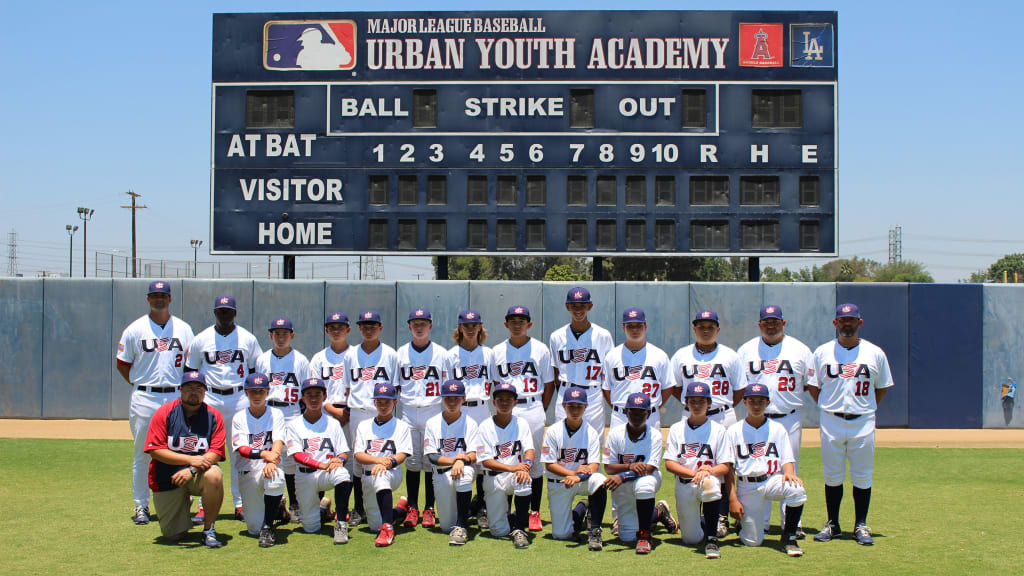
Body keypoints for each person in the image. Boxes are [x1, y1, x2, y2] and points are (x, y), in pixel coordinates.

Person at [809, 303, 894, 546]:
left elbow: (882, 387)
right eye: (842, 320)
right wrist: (829, 404)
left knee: (862, 474)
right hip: (831, 419)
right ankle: (833, 523)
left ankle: (860, 524)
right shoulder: (823, 352)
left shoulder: (874, 352)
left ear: (860, 322)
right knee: (832, 473)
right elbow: (814, 386)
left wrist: (863, 407)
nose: (847, 323)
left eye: (851, 319)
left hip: (863, 419)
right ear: (835, 323)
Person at [116, 280, 194, 525]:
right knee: (144, 453)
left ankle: (181, 502)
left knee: (180, 450)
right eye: (154, 295)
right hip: (145, 396)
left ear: (170, 299)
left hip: (175, 395)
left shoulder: (183, 329)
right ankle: (141, 505)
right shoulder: (135, 329)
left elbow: (191, 364)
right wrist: (139, 384)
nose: (159, 299)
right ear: (148, 298)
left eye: (163, 295)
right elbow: (122, 363)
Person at [737, 305, 814, 538]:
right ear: (759, 324)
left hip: (788, 416)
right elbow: (739, 385)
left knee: (789, 467)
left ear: (784, 323)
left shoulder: (800, 349)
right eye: (766, 321)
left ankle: (791, 522)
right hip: (755, 419)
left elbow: (810, 383)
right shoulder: (746, 350)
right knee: (757, 465)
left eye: (775, 321)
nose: (771, 325)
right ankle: (762, 521)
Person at [669, 309, 747, 538]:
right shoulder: (682, 355)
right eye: (701, 326)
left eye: (710, 326)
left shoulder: (730, 356)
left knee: (725, 467)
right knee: (692, 462)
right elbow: (674, 387)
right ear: (694, 329)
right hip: (691, 413)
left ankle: (721, 515)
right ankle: (695, 512)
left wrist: (720, 406)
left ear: (718, 329)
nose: (705, 330)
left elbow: (740, 388)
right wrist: (694, 406)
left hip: (723, 414)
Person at [184, 295, 262, 522]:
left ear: (234, 313)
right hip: (210, 397)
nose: (224, 315)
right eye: (221, 311)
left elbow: (256, 371)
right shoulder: (201, 339)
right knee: (205, 450)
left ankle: (240, 504)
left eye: (228, 311)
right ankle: (203, 504)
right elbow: (191, 371)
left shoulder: (247, 338)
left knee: (239, 451)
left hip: (239, 397)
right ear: (215, 313)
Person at [143, 371, 226, 548]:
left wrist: (192, 469)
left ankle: (208, 529)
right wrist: (190, 460)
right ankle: (183, 503)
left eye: (198, 388)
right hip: (167, 476)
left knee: (214, 475)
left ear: (205, 391)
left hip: (197, 474)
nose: (194, 392)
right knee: (174, 536)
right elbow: (155, 450)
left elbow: (215, 453)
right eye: (189, 388)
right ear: (180, 390)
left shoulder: (214, 416)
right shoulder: (165, 412)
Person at [492, 305, 555, 532]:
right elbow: (494, 384)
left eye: (522, 320)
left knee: (534, 462)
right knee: (509, 458)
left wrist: (541, 406)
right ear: (506, 324)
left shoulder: (540, 349)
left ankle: (534, 512)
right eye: (513, 320)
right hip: (507, 409)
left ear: (529, 324)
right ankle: (510, 511)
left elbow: (549, 383)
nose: (517, 324)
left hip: (532, 406)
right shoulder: (497, 351)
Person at [333, 310, 398, 527]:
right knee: (357, 462)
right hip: (359, 411)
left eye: (373, 326)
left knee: (382, 456)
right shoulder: (350, 355)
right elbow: (348, 388)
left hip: (381, 411)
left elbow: (395, 387)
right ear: (359, 328)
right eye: (364, 326)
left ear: (380, 328)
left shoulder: (390, 354)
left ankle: (380, 503)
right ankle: (359, 507)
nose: (368, 330)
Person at [726, 384, 806, 557]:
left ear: (768, 403)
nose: (756, 405)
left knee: (796, 489)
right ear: (744, 402)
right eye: (752, 401)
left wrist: (790, 473)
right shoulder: (733, 431)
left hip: (771, 480)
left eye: (761, 401)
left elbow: (787, 460)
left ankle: (790, 537)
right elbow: (729, 470)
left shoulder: (778, 429)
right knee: (753, 541)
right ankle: (746, 525)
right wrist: (732, 499)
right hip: (747, 486)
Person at [665, 383, 735, 559]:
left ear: (709, 403)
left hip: (707, 480)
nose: (697, 405)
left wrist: (709, 471)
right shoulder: (676, 428)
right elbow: (670, 464)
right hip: (685, 484)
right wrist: (694, 473)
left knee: (711, 482)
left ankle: (712, 539)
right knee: (691, 539)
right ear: (686, 403)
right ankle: (706, 522)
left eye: (701, 401)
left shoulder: (719, 430)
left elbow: (725, 465)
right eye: (693, 401)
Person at [602, 393, 676, 555]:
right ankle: (658, 513)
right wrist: (630, 466)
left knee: (645, 484)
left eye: (641, 412)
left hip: (647, 479)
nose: (636, 416)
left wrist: (622, 474)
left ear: (648, 414)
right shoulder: (615, 434)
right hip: (623, 485)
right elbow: (608, 467)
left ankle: (645, 535)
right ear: (626, 412)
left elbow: (649, 469)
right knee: (626, 537)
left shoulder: (654, 435)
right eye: (632, 412)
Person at [254, 317, 309, 525]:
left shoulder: (301, 360)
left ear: (292, 335)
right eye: (277, 333)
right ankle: (271, 502)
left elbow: (306, 391)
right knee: (267, 457)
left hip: (291, 411)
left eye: (285, 333)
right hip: (268, 411)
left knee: (291, 460)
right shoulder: (262, 360)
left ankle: (295, 503)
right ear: (270, 336)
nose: (280, 337)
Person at [395, 308, 447, 529]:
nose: (419, 326)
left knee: (430, 462)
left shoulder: (441, 353)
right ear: (409, 326)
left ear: (430, 326)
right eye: (415, 323)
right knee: (413, 462)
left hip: (433, 409)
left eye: (423, 322)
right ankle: (413, 506)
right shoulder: (400, 354)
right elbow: (396, 386)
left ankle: (429, 508)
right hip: (408, 410)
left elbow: (448, 386)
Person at [286, 377, 353, 544]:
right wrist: (320, 464)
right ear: (302, 398)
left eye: (318, 394)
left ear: (325, 397)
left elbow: (344, 452)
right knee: (310, 527)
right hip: (305, 476)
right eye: (309, 395)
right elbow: (297, 455)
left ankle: (341, 524)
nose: (314, 398)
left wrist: (340, 460)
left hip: (327, 474)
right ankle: (322, 509)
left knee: (343, 474)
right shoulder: (294, 425)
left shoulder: (333, 423)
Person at [542, 386, 609, 551]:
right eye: (571, 405)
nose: (575, 409)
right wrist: (573, 473)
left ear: (585, 407)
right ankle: (581, 508)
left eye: (579, 406)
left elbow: (594, 465)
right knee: (561, 535)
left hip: (581, 481)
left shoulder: (591, 432)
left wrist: (578, 477)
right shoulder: (553, 431)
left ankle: (595, 529)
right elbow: (549, 464)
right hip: (559, 482)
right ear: (564, 406)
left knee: (600, 480)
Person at [445, 309, 494, 529]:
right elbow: (445, 387)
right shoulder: (450, 355)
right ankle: (461, 503)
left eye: (475, 325)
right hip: (461, 409)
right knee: (460, 453)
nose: (471, 329)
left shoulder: (489, 354)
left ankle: (481, 504)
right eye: (467, 325)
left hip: (482, 407)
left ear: (480, 328)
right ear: (460, 329)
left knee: (482, 457)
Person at [353, 383, 413, 547]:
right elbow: (358, 455)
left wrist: (387, 463)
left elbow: (403, 454)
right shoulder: (364, 425)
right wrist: (378, 461)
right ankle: (400, 510)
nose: (383, 405)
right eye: (379, 401)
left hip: (391, 473)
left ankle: (388, 530)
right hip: (367, 475)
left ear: (395, 402)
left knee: (381, 476)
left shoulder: (401, 426)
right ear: (374, 402)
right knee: (374, 526)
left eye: (387, 401)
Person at [549, 287, 615, 437]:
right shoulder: (556, 336)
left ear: (589, 306)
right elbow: (556, 371)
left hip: (593, 393)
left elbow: (609, 371)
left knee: (593, 441)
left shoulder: (603, 335)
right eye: (574, 305)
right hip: (566, 392)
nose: (578, 310)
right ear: (567, 307)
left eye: (582, 305)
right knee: (563, 439)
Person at [476, 382, 535, 549]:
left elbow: (529, 450)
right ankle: (511, 518)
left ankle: (520, 529)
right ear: (493, 402)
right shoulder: (485, 426)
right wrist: (513, 467)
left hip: (514, 476)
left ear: (515, 402)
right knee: (498, 531)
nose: (504, 402)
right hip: (493, 478)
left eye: (508, 399)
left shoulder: (521, 423)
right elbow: (486, 461)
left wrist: (526, 465)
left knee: (524, 479)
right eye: (500, 399)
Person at [231, 373, 286, 547]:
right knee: (253, 529)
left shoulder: (275, 413)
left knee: (276, 476)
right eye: (253, 391)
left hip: (268, 467)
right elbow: (241, 449)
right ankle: (276, 508)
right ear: (246, 392)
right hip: (247, 472)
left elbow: (278, 442)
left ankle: (268, 526)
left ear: (267, 392)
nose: (257, 396)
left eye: (260, 391)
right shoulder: (239, 417)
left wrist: (271, 461)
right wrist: (264, 454)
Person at [423, 380, 479, 545]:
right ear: (442, 398)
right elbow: (432, 456)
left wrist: (463, 460)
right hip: (441, 473)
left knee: (463, 476)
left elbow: (474, 454)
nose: (452, 402)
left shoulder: (471, 423)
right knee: (446, 526)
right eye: (448, 398)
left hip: (464, 469)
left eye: (456, 398)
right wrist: (456, 459)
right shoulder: (432, 423)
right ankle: (471, 508)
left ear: (463, 399)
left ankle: (462, 526)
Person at [308, 311, 352, 523]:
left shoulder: (356, 354)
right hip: (326, 413)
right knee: (321, 458)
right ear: (327, 330)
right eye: (332, 328)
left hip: (352, 413)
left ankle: (353, 508)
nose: (336, 331)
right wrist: (333, 411)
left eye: (340, 327)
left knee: (350, 464)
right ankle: (319, 505)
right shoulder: (319, 357)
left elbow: (360, 385)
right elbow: (313, 390)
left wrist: (347, 412)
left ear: (348, 330)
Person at [602, 307, 672, 430]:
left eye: (638, 326)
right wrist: (618, 407)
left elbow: (668, 386)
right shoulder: (612, 356)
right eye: (630, 326)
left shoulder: (659, 355)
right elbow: (606, 388)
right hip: (620, 416)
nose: (635, 330)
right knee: (618, 449)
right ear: (623, 328)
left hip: (649, 416)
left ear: (645, 327)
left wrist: (653, 407)